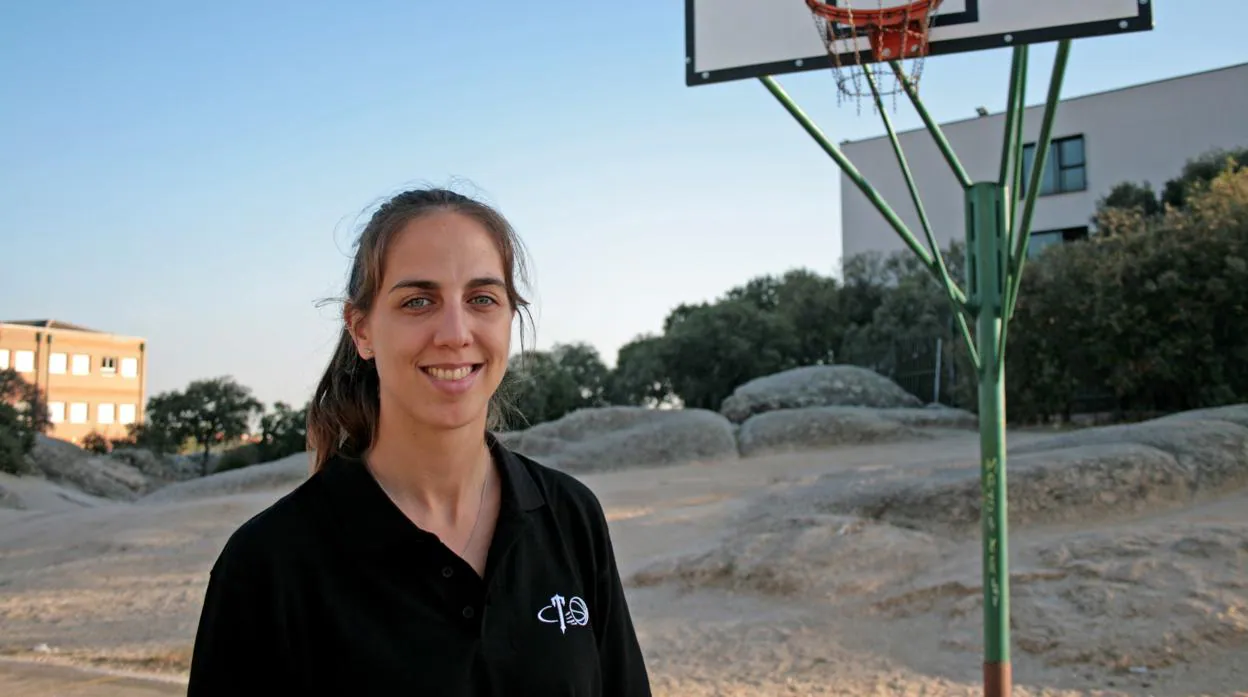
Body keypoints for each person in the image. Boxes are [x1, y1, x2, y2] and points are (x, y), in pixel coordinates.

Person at [186, 188, 652, 696]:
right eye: (418, 301)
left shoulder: (570, 516)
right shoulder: (269, 563)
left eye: (481, 299)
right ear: (361, 330)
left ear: (509, 318)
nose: (455, 332)